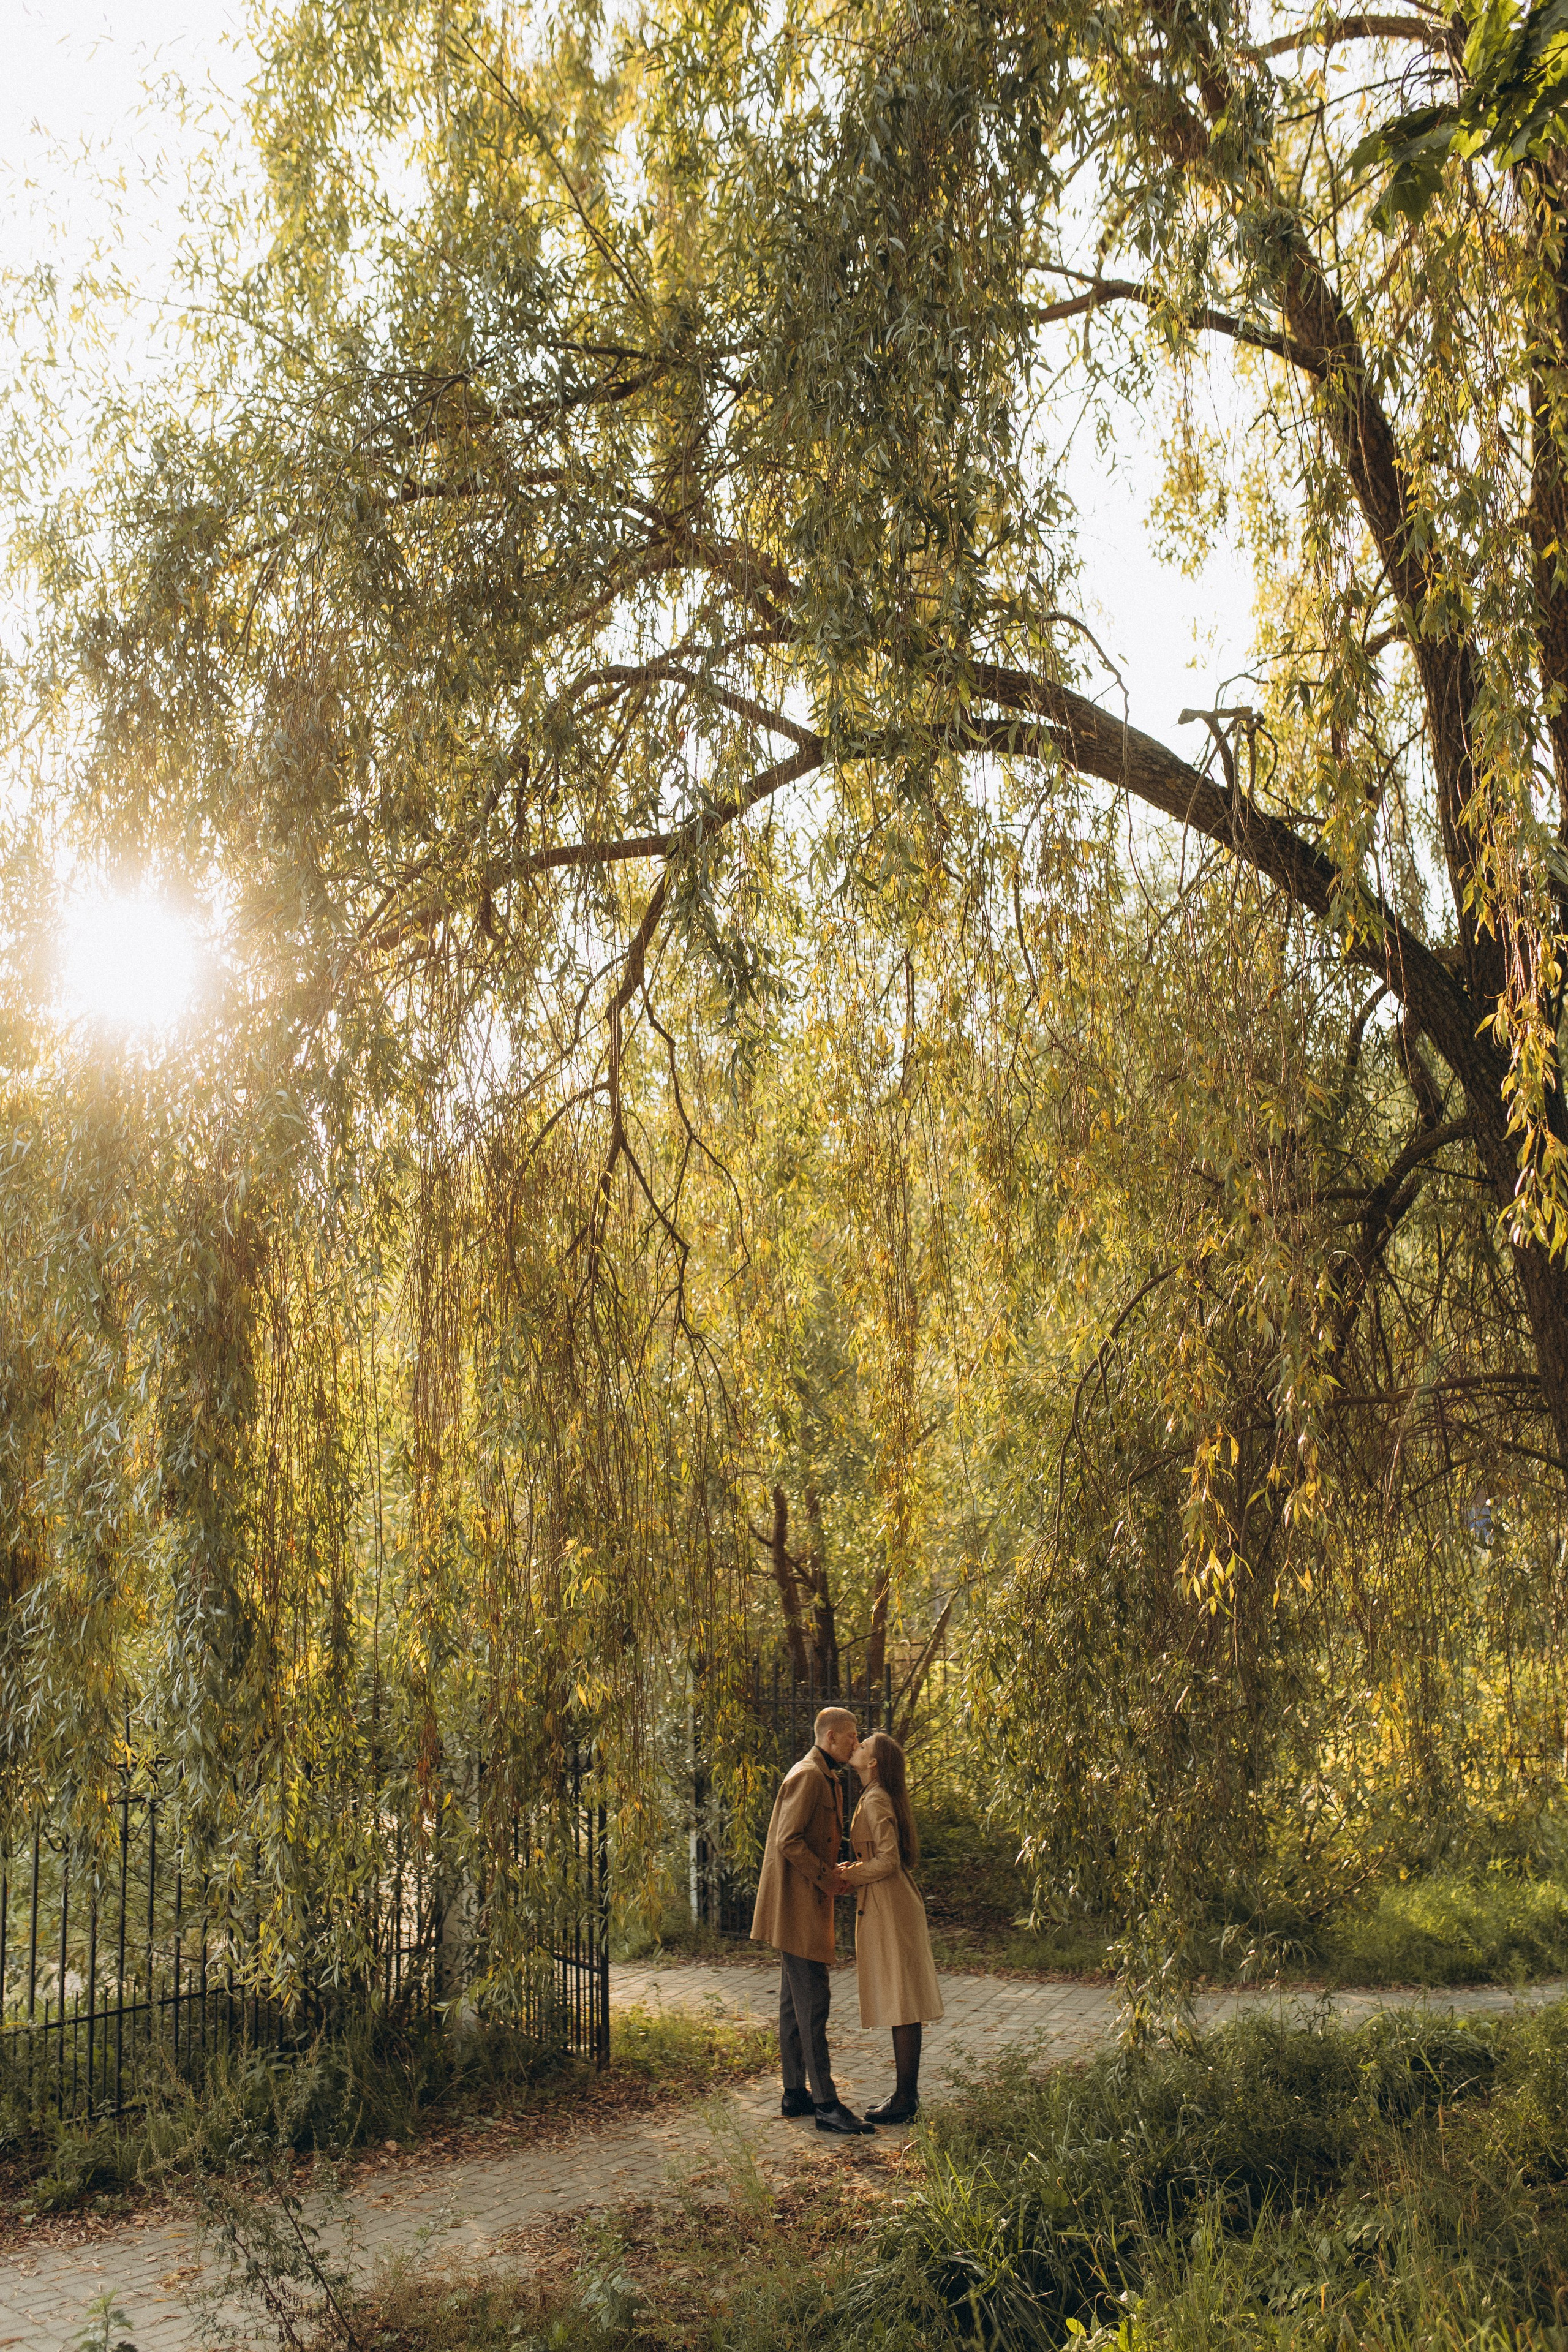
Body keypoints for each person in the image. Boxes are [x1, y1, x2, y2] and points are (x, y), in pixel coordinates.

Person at [750, 1705, 874, 2135]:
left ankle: (794, 2094)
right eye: (853, 1736)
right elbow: (789, 1841)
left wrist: (831, 1871)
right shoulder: (807, 1776)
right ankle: (825, 2104)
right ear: (833, 1736)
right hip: (799, 1906)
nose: (857, 1743)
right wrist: (828, 1880)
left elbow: (811, 1840)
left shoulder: (825, 1776)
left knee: (794, 2005)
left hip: (803, 1903)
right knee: (813, 2006)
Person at [840, 1729, 943, 2122]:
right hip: (887, 1902)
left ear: (874, 1763)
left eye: (863, 1745)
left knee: (902, 2002)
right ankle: (905, 2096)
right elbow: (880, 1860)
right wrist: (851, 1872)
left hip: (891, 1906)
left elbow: (888, 1861)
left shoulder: (877, 1798)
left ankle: (905, 2100)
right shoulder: (874, 1796)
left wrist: (845, 1876)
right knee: (902, 2001)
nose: (857, 1746)